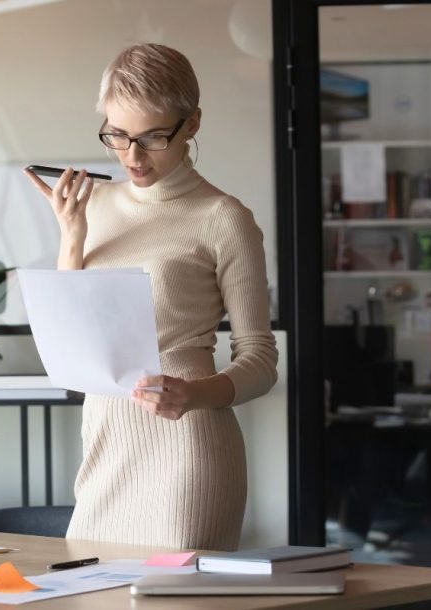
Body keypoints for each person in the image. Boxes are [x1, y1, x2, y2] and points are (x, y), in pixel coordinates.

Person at [24, 43, 278, 551]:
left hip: (187, 451)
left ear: (192, 124)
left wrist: (193, 395)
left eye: (153, 137)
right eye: (117, 135)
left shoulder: (224, 219)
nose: (132, 157)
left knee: (174, 591)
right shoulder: (92, 204)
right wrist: (71, 235)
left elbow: (260, 360)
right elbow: (74, 336)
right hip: (104, 443)